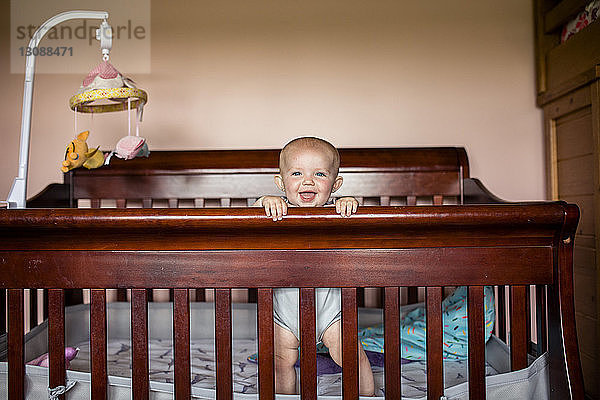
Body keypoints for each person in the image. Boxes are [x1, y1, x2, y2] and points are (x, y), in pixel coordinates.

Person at [254, 137, 375, 396]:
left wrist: (349, 204)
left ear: (335, 184)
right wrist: (264, 201)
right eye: (297, 173)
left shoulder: (337, 212)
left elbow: (360, 227)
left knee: (353, 356)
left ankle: (366, 396)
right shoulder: (276, 212)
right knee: (280, 362)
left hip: (330, 315)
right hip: (284, 317)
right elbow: (249, 219)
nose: (307, 181)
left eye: (319, 174)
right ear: (281, 182)